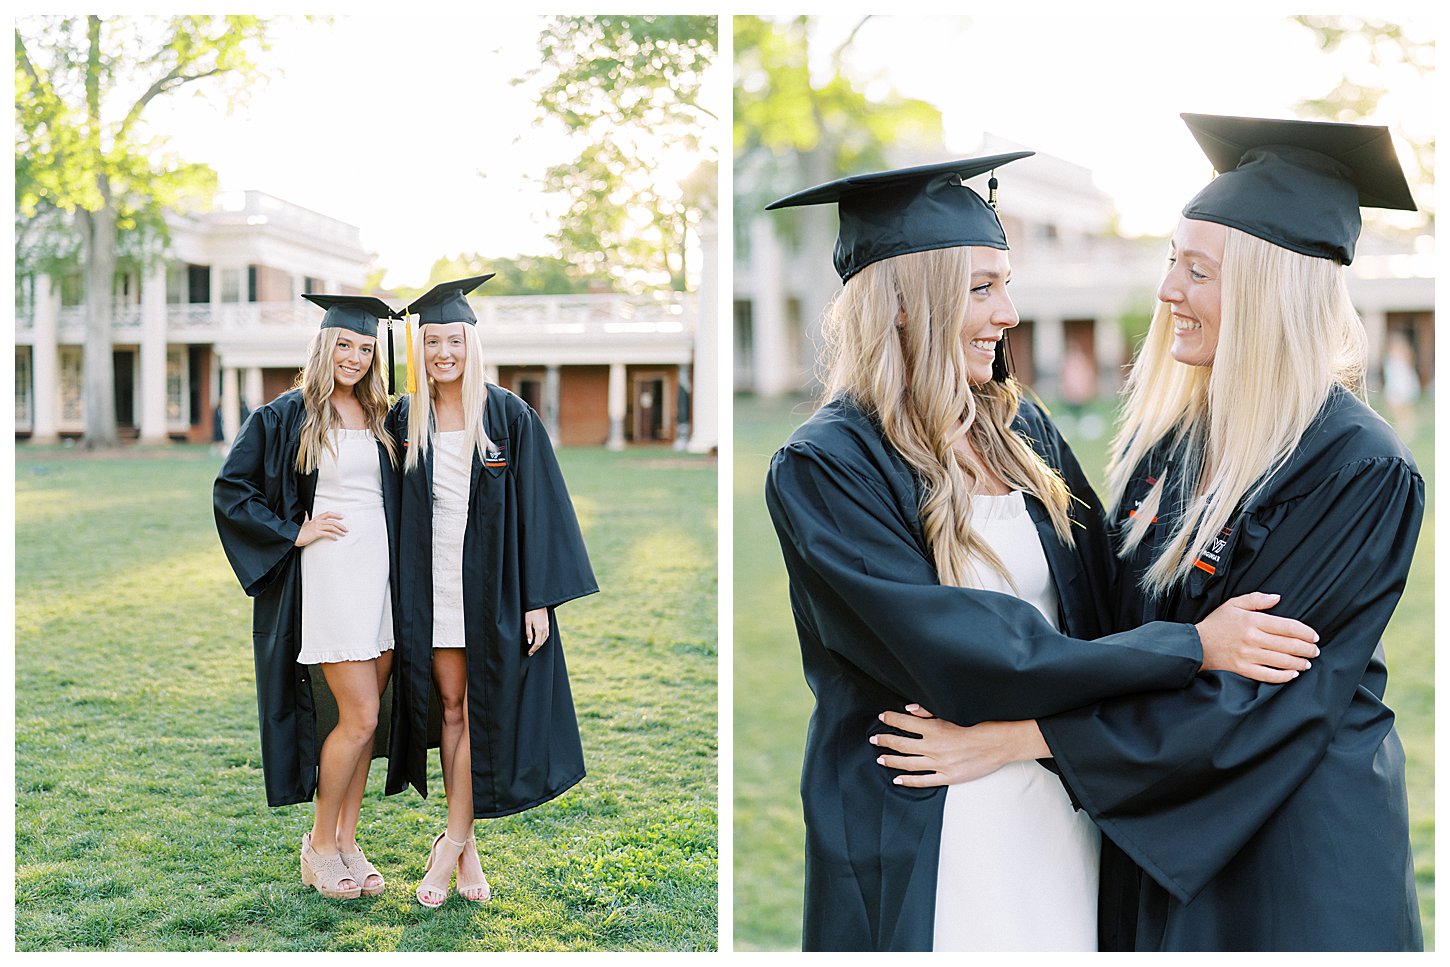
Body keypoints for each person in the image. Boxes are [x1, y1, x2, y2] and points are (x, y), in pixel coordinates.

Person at [872, 115, 1424, 951]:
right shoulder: (1178, 442)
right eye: (1173, 261)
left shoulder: (1358, 467)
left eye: (1196, 270)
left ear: (1271, 291)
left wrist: (1020, 739)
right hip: (1154, 829)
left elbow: (1256, 701)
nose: (1168, 291)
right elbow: (1103, 615)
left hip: (1288, 850)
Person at [761, 154, 1320, 952]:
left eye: (1007, 284)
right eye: (982, 287)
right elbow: (960, 650)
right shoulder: (828, 466)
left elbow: (1101, 598)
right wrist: (1193, 647)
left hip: (1059, 800)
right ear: (907, 302)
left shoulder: (1020, 431)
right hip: (934, 815)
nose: (1010, 313)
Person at [382, 275, 598, 908]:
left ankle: (448, 843)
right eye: (432, 342)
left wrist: (539, 598)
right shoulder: (404, 419)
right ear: (419, 349)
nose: (443, 352)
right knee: (450, 707)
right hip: (432, 588)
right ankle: (467, 852)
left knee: (478, 710)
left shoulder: (507, 415)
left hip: (493, 588)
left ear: (471, 343)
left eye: (453, 339)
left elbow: (542, 509)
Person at [214, 294, 403, 899]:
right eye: (344, 344)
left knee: (368, 719)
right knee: (361, 715)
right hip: (331, 577)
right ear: (324, 347)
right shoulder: (285, 416)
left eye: (365, 347)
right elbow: (232, 490)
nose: (354, 356)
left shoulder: (382, 416)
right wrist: (293, 531)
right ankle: (320, 844)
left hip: (383, 577)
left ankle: (349, 840)